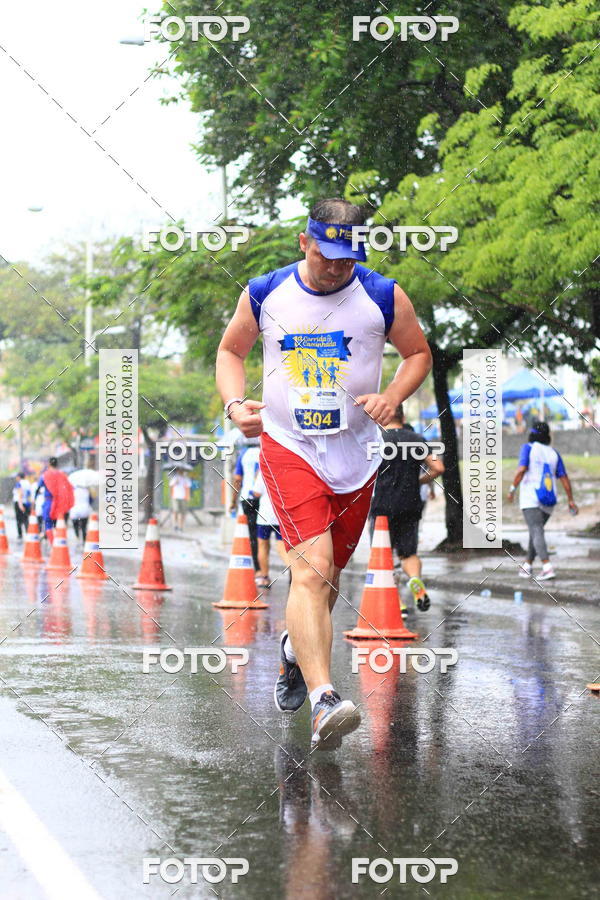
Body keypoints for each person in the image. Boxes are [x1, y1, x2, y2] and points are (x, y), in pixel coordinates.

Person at [216, 197, 431, 750]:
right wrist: (236, 405)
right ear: (304, 243)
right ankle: (324, 700)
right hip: (290, 446)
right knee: (310, 570)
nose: (337, 267)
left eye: (348, 257)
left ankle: (294, 651)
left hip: (356, 455)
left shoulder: (382, 295)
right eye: (327, 255)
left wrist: (392, 395)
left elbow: (418, 354)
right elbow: (229, 351)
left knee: (328, 578)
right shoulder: (266, 292)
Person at [369, 405, 444, 612]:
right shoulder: (416, 439)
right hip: (410, 504)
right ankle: (415, 581)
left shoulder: (377, 440)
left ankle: (396, 602)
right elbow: (438, 467)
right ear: (403, 416)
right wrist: (419, 481)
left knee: (384, 556)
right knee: (408, 553)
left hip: (382, 506)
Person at [508, 420, 577, 580]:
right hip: (549, 500)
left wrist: (512, 489)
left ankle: (547, 567)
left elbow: (521, 469)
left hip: (531, 498)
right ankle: (528, 566)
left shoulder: (528, 448)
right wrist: (571, 500)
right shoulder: (554, 453)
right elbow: (564, 478)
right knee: (536, 530)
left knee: (536, 530)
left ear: (531, 434)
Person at [252, 467, 288, 589]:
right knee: (282, 547)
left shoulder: (264, 469)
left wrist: (255, 478)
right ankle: (295, 572)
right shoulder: (286, 469)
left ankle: (265, 577)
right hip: (281, 514)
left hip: (265, 515)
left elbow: (256, 493)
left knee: (262, 545)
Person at [230, 443, 261, 572]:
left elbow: (237, 479)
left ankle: (259, 570)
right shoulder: (265, 450)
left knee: (252, 535)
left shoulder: (243, 453)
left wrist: (233, 501)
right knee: (267, 536)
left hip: (248, 499)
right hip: (266, 499)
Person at [35, 457, 74, 544]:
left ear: (49, 464)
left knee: (48, 523)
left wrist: (34, 501)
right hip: (59, 503)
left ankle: (53, 544)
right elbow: (68, 488)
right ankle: (59, 543)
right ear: (57, 464)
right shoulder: (62, 475)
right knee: (59, 524)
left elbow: (38, 489)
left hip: (48, 502)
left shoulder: (45, 475)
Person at [68, 477, 93, 543]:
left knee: (75, 525)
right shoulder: (87, 490)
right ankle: (84, 541)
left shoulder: (73, 490)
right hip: (84, 510)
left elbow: (69, 500)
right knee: (84, 527)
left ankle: (77, 537)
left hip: (75, 510)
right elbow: (91, 500)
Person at [169, 467, 192, 532]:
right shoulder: (175, 478)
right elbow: (170, 485)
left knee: (182, 513)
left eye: (182, 470)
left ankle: (180, 526)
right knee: (176, 511)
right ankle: (175, 525)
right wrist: (175, 482)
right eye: (179, 470)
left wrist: (188, 496)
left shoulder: (186, 479)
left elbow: (189, 486)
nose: (181, 472)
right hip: (175, 497)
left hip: (183, 497)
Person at [12, 471, 31, 540]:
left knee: (19, 519)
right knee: (26, 518)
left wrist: (20, 504)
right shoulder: (28, 483)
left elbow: (20, 493)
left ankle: (20, 534)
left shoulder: (19, 483)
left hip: (19, 503)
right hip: (26, 502)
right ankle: (28, 532)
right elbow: (29, 493)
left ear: (19, 477)